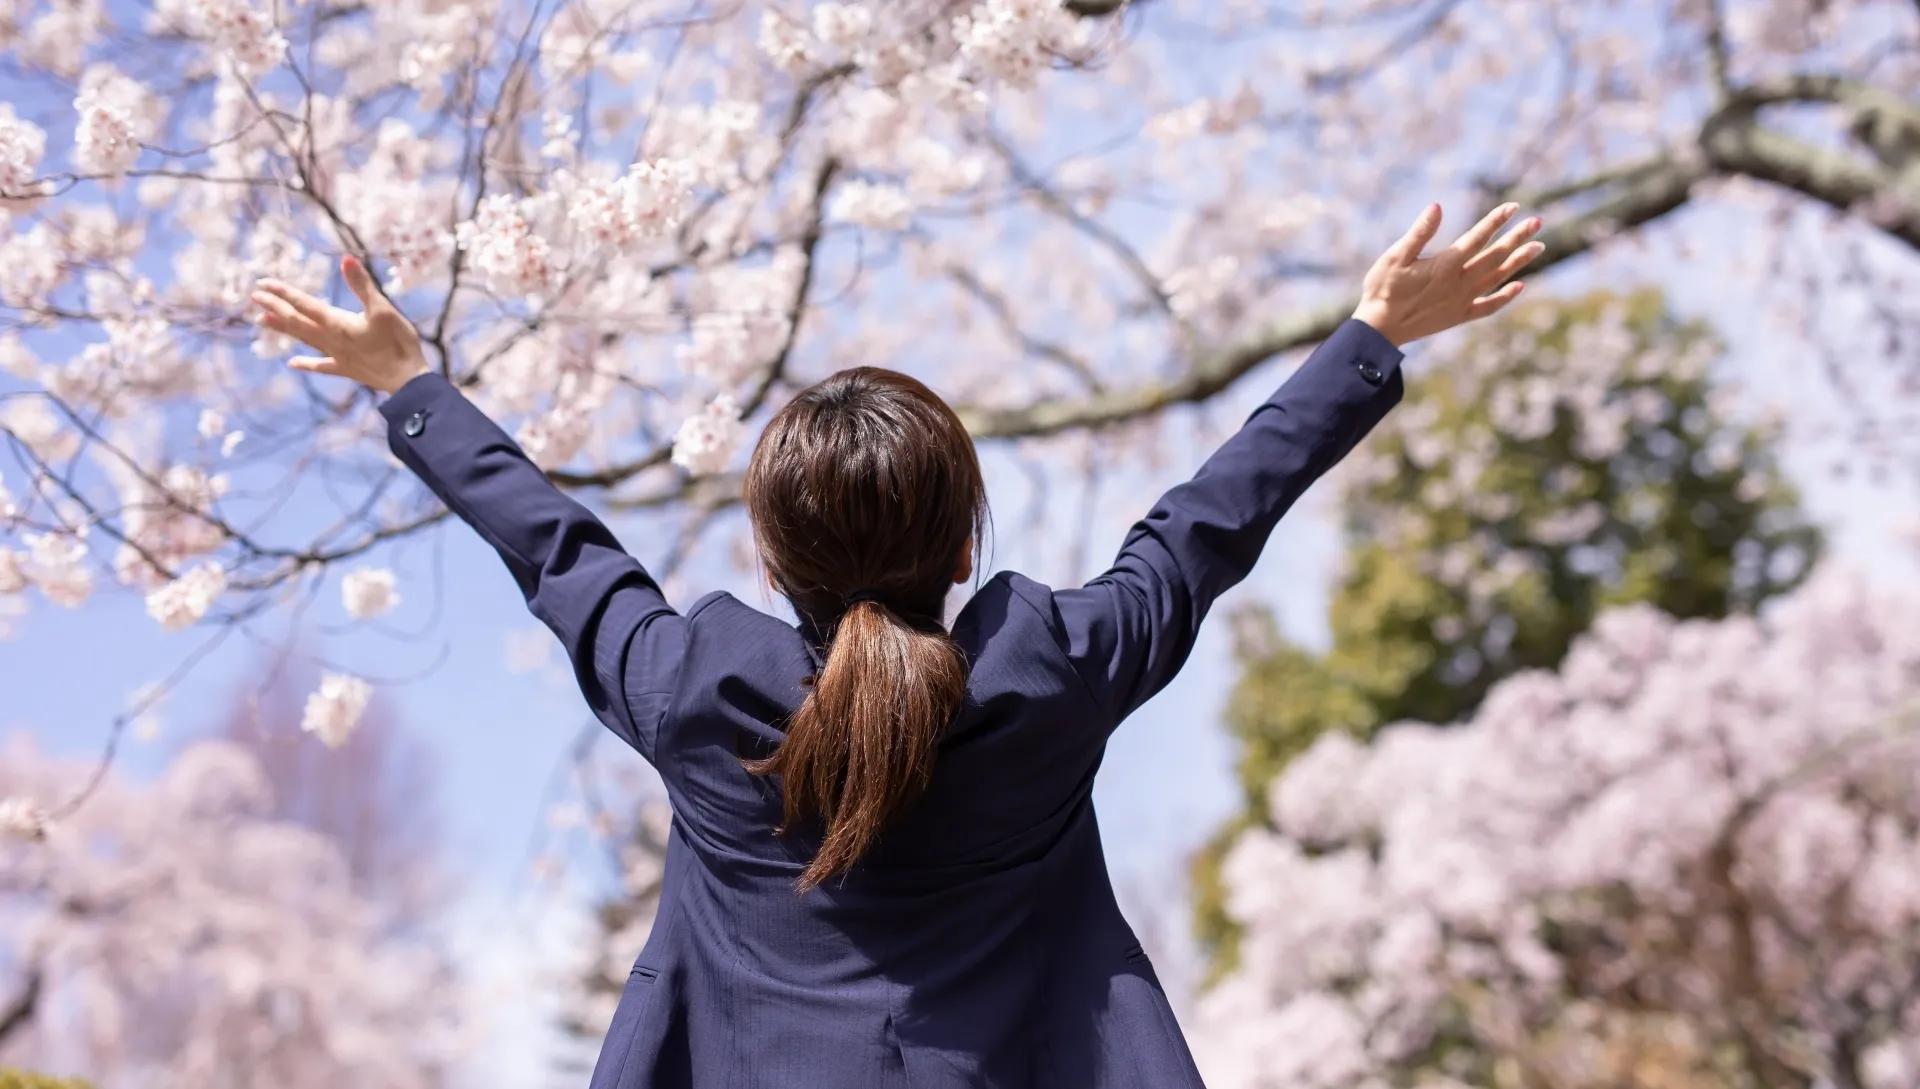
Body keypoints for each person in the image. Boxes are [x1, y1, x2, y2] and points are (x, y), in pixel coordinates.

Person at [252, 201, 1543, 1088]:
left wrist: (411, 388)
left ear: (771, 553)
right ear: (965, 542)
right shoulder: (1050, 675)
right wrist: (1369, 340)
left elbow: (558, 549)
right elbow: (1206, 525)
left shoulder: (690, 687)